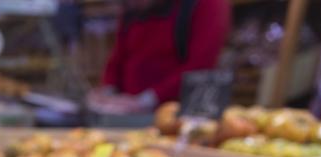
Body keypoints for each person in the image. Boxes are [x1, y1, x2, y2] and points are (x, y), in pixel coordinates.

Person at [88, 0, 231, 114]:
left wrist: (145, 100)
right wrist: (108, 92)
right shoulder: (131, 9)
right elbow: (118, 57)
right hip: (130, 116)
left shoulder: (208, 4)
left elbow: (200, 65)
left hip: (182, 116)